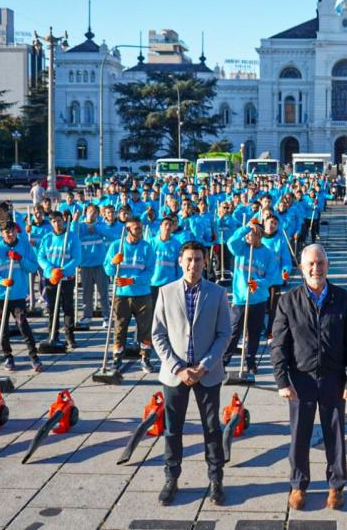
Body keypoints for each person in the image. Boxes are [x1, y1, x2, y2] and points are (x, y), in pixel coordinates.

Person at [271, 244, 347, 511]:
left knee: (335, 433)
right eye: (310, 264)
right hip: (301, 379)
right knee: (300, 434)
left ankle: (336, 486)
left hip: (334, 378)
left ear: (328, 266)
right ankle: (299, 484)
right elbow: (279, 345)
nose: (316, 268)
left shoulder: (344, 299)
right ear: (301, 268)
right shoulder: (289, 301)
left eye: (320, 263)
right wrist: (281, 381)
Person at [151, 241, 232, 507]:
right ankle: (171, 477)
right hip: (175, 374)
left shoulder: (217, 293)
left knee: (212, 428)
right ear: (180, 261)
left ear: (205, 262)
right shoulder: (166, 292)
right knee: (173, 429)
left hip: (206, 373)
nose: (193, 264)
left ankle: (216, 479)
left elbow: (224, 334)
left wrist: (205, 365)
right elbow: (158, 335)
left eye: (198, 259)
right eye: (188, 259)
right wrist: (178, 367)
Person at [0, 219, 43, 372]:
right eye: (6, 232)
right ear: (1, 233)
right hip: (0, 296)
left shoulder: (25, 246)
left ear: (17, 231)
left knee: (23, 325)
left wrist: (20, 258)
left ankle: (34, 357)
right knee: (2, 328)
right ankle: (8, 357)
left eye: (12, 231)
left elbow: (33, 267)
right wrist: (1, 281)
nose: (10, 234)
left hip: (18, 294)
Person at [225, 221, 280, 375]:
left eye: (253, 234)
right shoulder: (241, 248)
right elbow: (231, 241)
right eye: (249, 234)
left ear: (260, 236)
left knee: (254, 332)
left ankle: (251, 361)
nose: (249, 236)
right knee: (234, 330)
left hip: (258, 299)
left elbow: (271, 277)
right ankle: (224, 360)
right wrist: (247, 227)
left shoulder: (268, 254)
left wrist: (258, 283)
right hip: (240, 298)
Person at [104, 217, 157, 373]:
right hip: (121, 295)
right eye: (136, 229)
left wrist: (131, 280)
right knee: (120, 327)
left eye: (140, 228)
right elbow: (108, 270)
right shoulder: (116, 246)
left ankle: (145, 358)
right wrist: (114, 263)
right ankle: (117, 358)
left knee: (144, 328)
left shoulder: (147, 248)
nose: (140, 231)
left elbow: (150, 273)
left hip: (142, 294)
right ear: (128, 230)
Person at [38, 211, 81, 350]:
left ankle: (70, 336)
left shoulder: (72, 237)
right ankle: (53, 335)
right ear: (51, 223)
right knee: (52, 308)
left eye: (59, 220)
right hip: (51, 278)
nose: (57, 224)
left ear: (64, 220)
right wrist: (51, 270)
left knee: (67, 307)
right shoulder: (47, 238)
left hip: (66, 278)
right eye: (54, 221)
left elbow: (77, 258)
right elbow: (41, 257)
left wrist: (63, 271)